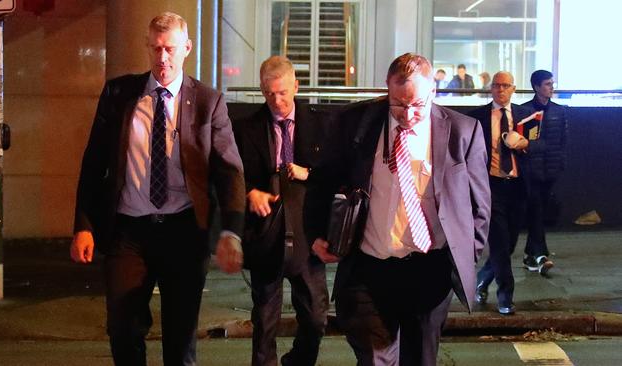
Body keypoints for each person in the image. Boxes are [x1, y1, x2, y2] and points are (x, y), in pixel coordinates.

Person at [69, 12, 245, 366]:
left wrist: (231, 231)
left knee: (180, 340)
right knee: (123, 329)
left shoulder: (208, 102)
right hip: (128, 231)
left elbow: (229, 171)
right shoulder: (120, 94)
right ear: (147, 48)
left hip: (183, 230)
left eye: (170, 49)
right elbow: (94, 163)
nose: (162, 58)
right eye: (155, 49)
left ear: (186, 49)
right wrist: (84, 226)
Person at [308, 53, 491, 366]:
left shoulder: (463, 132)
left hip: (430, 270)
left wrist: (465, 251)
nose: (407, 114)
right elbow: (322, 180)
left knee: (419, 359)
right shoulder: (356, 123)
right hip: (370, 266)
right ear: (387, 90)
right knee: (375, 358)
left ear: (433, 91)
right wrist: (316, 233)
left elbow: (479, 205)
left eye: (417, 104)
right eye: (398, 103)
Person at [233, 56, 330, 366]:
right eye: (270, 93)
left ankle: (297, 361)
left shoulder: (319, 124)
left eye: (283, 92)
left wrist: (309, 173)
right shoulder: (246, 128)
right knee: (264, 321)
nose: (277, 100)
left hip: (307, 233)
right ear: (262, 90)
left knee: (315, 317)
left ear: (296, 87)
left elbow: (335, 173)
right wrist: (250, 192)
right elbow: (230, 175)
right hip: (266, 233)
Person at [469, 71, 535, 315]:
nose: (501, 90)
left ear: (513, 88)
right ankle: (505, 297)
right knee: (498, 244)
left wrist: (526, 144)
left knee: (508, 245)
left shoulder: (526, 115)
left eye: (505, 85)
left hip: (517, 187)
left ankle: (483, 279)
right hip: (491, 187)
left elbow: (543, 144)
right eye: (496, 85)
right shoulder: (478, 118)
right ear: (491, 88)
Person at [521, 70, 567, 276]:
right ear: (537, 87)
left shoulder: (559, 111)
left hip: (551, 171)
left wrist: (559, 164)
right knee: (536, 210)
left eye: (552, 83)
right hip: (531, 172)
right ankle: (540, 254)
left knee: (539, 212)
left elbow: (563, 141)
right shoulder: (525, 111)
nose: (551, 87)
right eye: (547, 84)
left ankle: (531, 254)